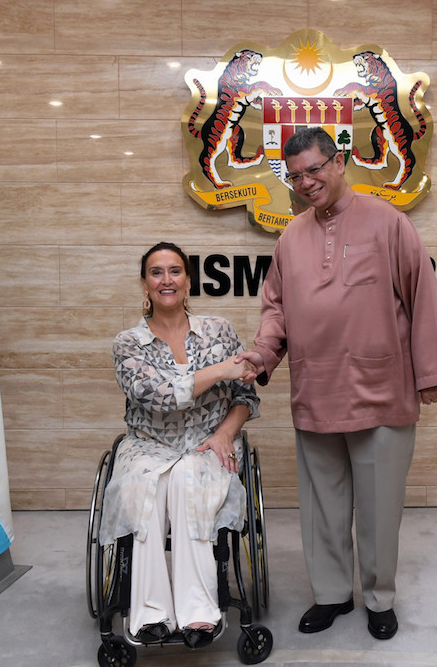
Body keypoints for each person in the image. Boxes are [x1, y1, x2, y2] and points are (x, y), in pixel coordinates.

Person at [238, 127, 437, 640]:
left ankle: (379, 598)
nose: (306, 182)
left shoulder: (387, 222)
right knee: (322, 506)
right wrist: (263, 354)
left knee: (379, 508)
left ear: (339, 163)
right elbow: (276, 310)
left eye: (314, 169)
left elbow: (423, 298)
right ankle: (332, 594)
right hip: (315, 392)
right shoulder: (291, 237)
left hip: (382, 390)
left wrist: (431, 374)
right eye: (295, 176)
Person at [101, 242, 259, 650]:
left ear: (188, 280)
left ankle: (199, 613)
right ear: (144, 283)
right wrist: (222, 369)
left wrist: (225, 433)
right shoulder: (128, 343)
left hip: (208, 442)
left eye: (175, 271)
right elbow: (155, 396)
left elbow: (247, 397)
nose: (166, 280)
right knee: (147, 488)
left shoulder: (219, 330)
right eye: (156, 272)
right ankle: (150, 612)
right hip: (148, 445)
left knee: (190, 478)